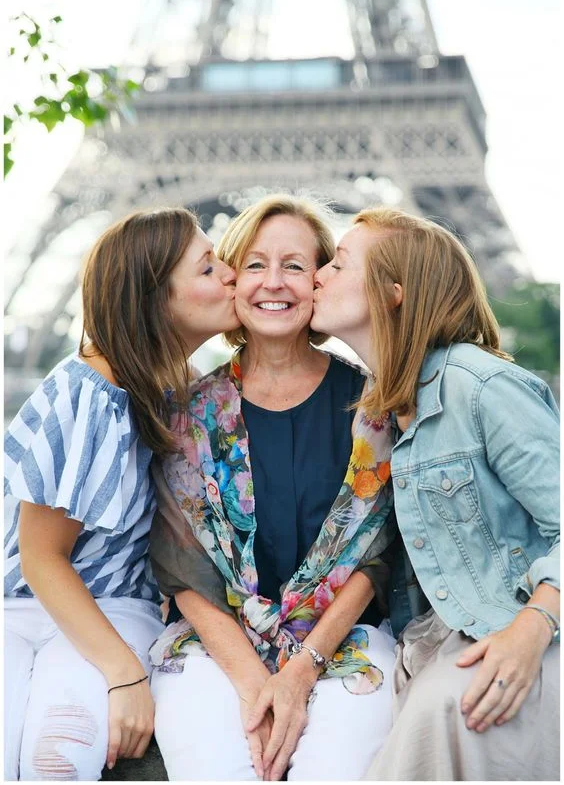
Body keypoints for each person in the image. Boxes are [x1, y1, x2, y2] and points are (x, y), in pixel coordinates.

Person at [148, 194, 398, 781]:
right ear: (232, 281)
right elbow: (186, 574)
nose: (274, 282)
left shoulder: (375, 409)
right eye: (256, 264)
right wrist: (255, 681)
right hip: (219, 644)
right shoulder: (187, 416)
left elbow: (374, 561)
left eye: (294, 264)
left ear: (321, 280)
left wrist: (300, 671)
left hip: (341, 639)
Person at [311, 206, 560, 781]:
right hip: (427, 637)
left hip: (515, 630)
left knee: (436, 709)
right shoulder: (381, 408)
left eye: (340, 263)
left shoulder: (481, 387)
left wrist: (531, 629)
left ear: (392, 293)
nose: (319, 272)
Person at [4, 207, 239, 781]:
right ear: (156, 297)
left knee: (56, 758)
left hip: (114, 606)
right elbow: (40, 558)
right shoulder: (86, 392)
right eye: (209, 268)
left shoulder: (172, 395)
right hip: (24, 605)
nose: (231, 273)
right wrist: (125, 674)